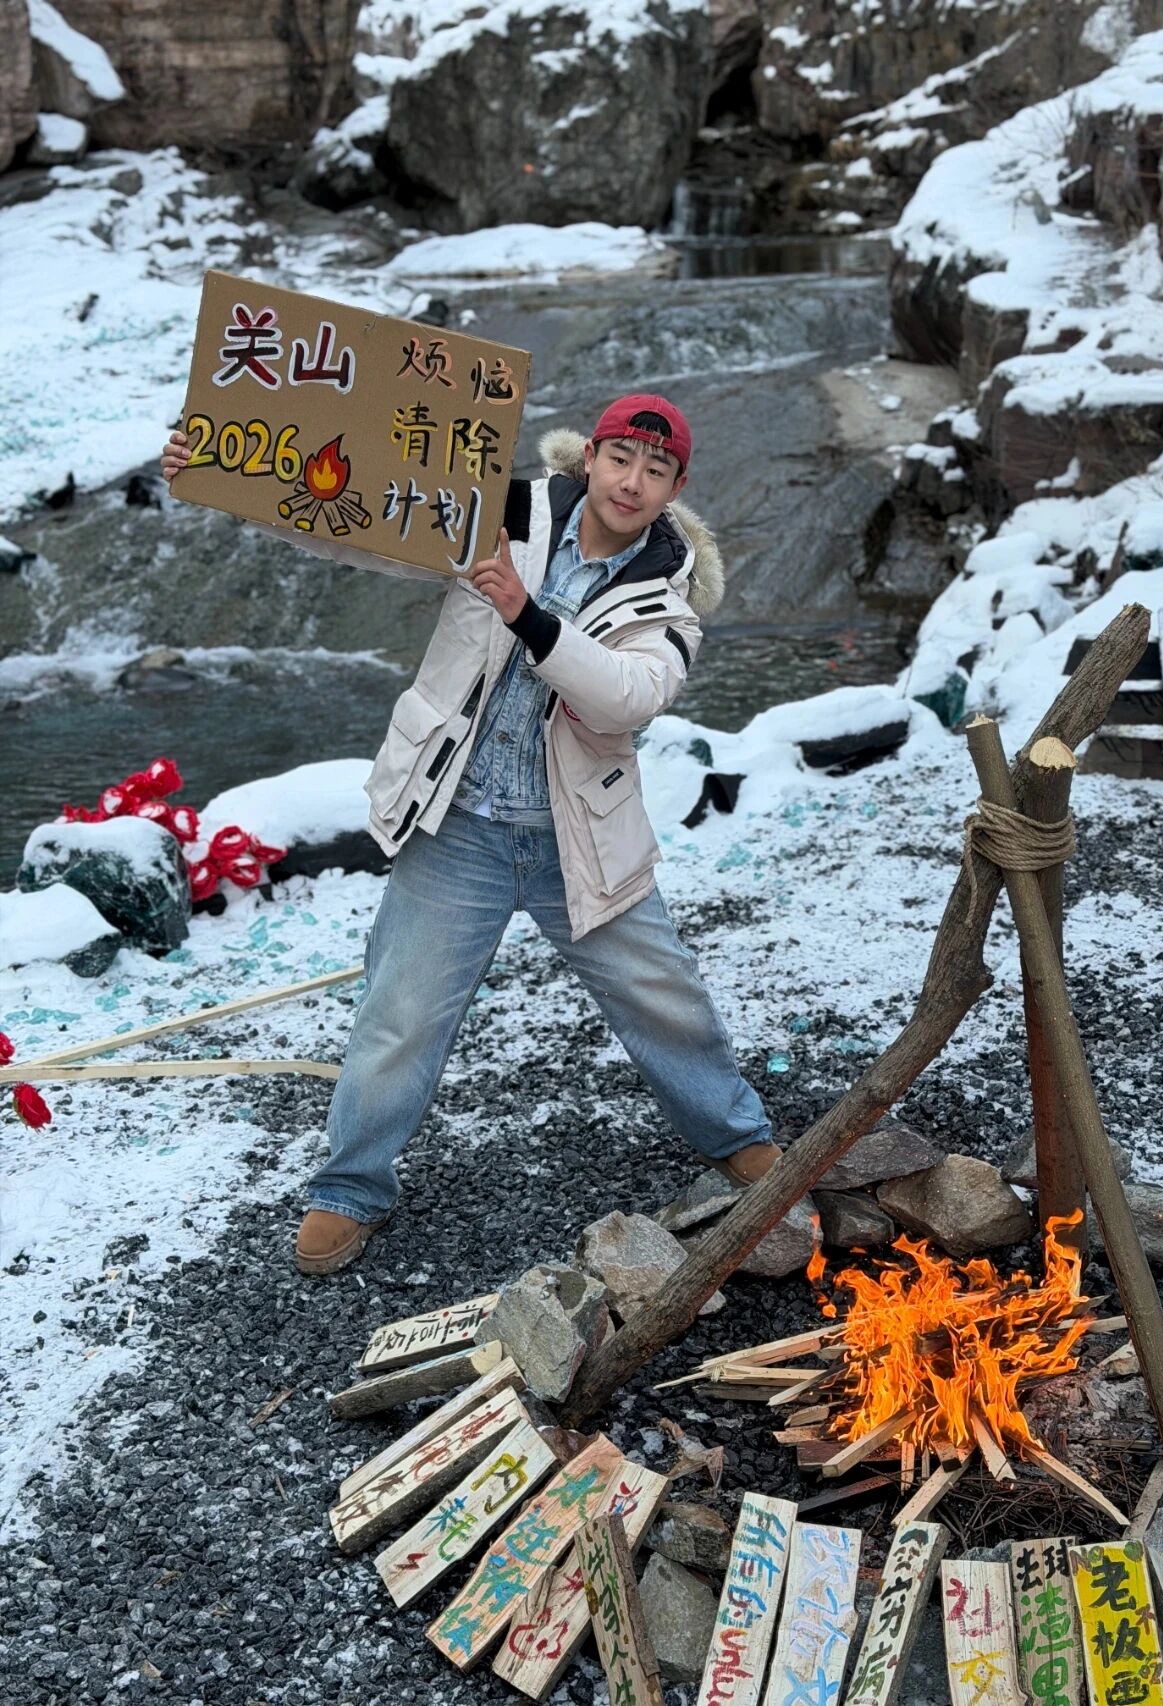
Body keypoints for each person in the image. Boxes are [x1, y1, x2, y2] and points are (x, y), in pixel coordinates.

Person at [162, 392, 780, 1274]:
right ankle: (350, 1186)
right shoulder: (505, 510)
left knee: (665, 996)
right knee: (401, 1013)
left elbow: (627, 697)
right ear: (590, 459)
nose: (632, 482)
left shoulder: (672, 600)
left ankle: (737, 1137)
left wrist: (529, 614)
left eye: (655, 470)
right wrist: (229, 479)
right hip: (459, 824)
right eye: (619, 459)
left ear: (676, 485)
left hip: (579, 840)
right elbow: (361, 525)